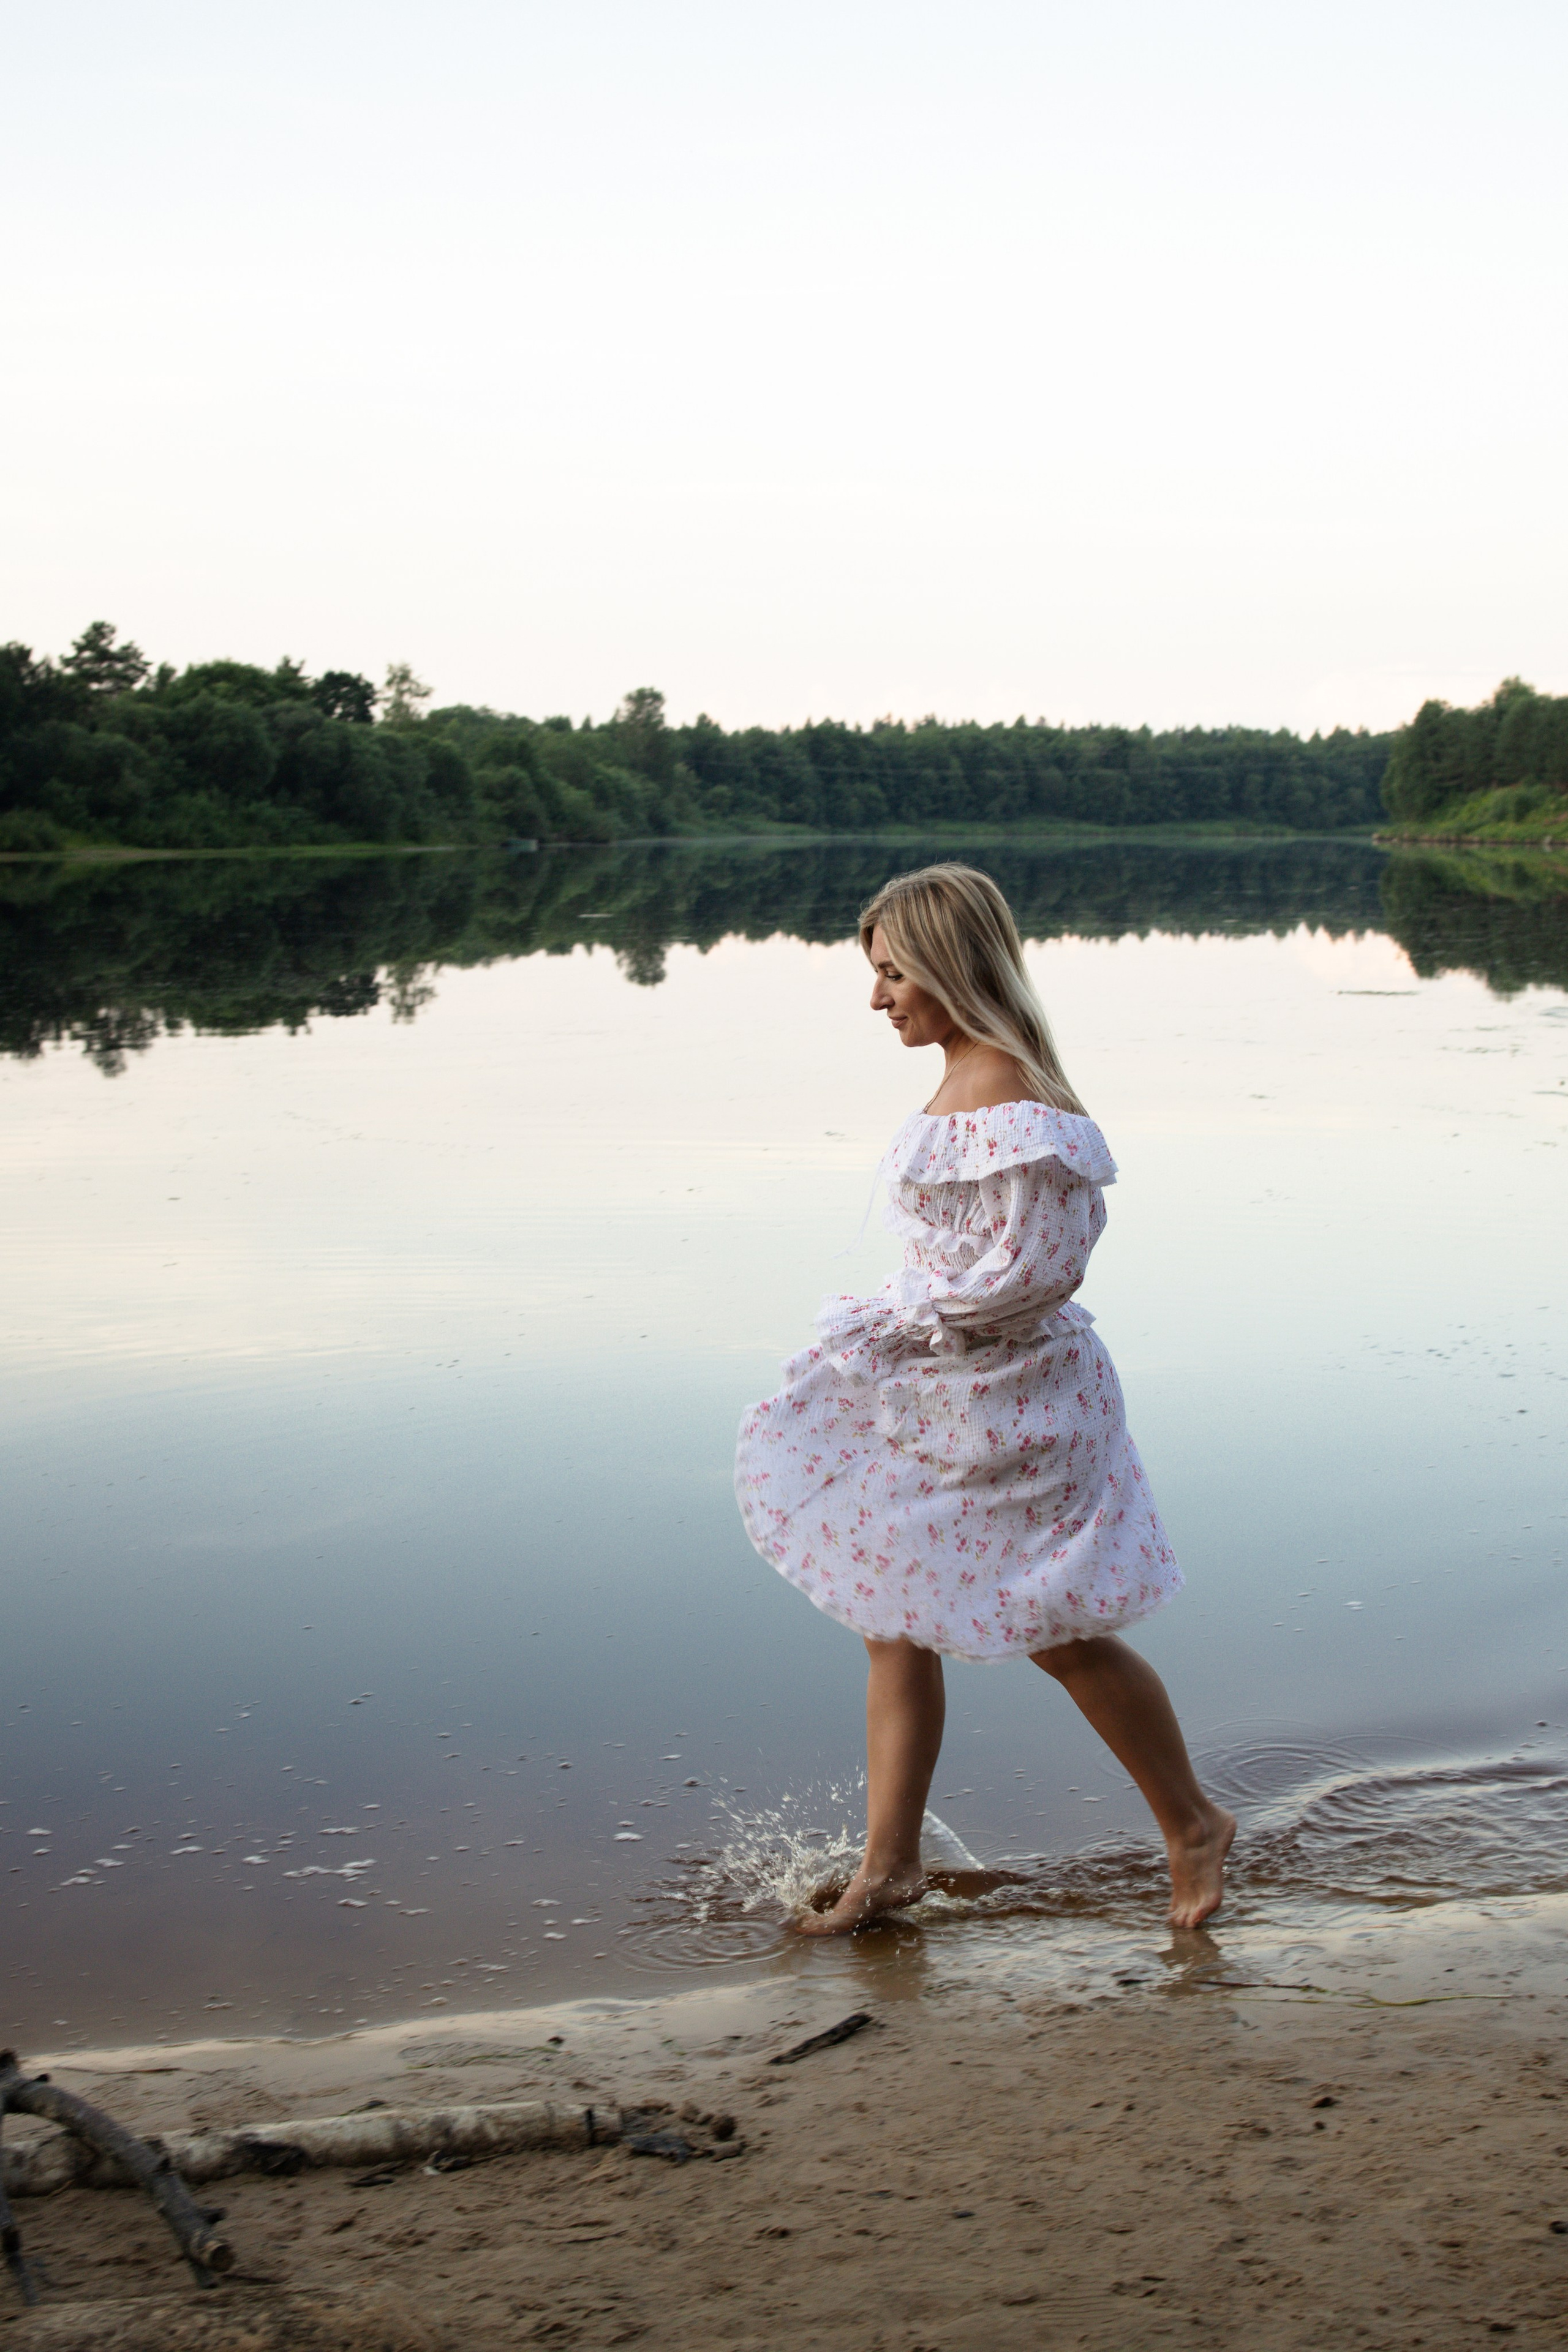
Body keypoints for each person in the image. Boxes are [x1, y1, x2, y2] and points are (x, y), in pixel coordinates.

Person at [735, 862, 1234, 1934]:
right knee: (890, 1620)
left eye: (892, 973)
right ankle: (891, 1868)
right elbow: (971, 1263)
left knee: (1060, 1631)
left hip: (1021, 1406)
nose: (878, 999)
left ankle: (1193, 1824)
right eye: (875, 976)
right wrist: (906, 1328)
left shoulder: (1014, 1097)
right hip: (950, 1395)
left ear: (952, 965)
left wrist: (914, 1319)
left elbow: (1038, 1270)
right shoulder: (969, 1079)